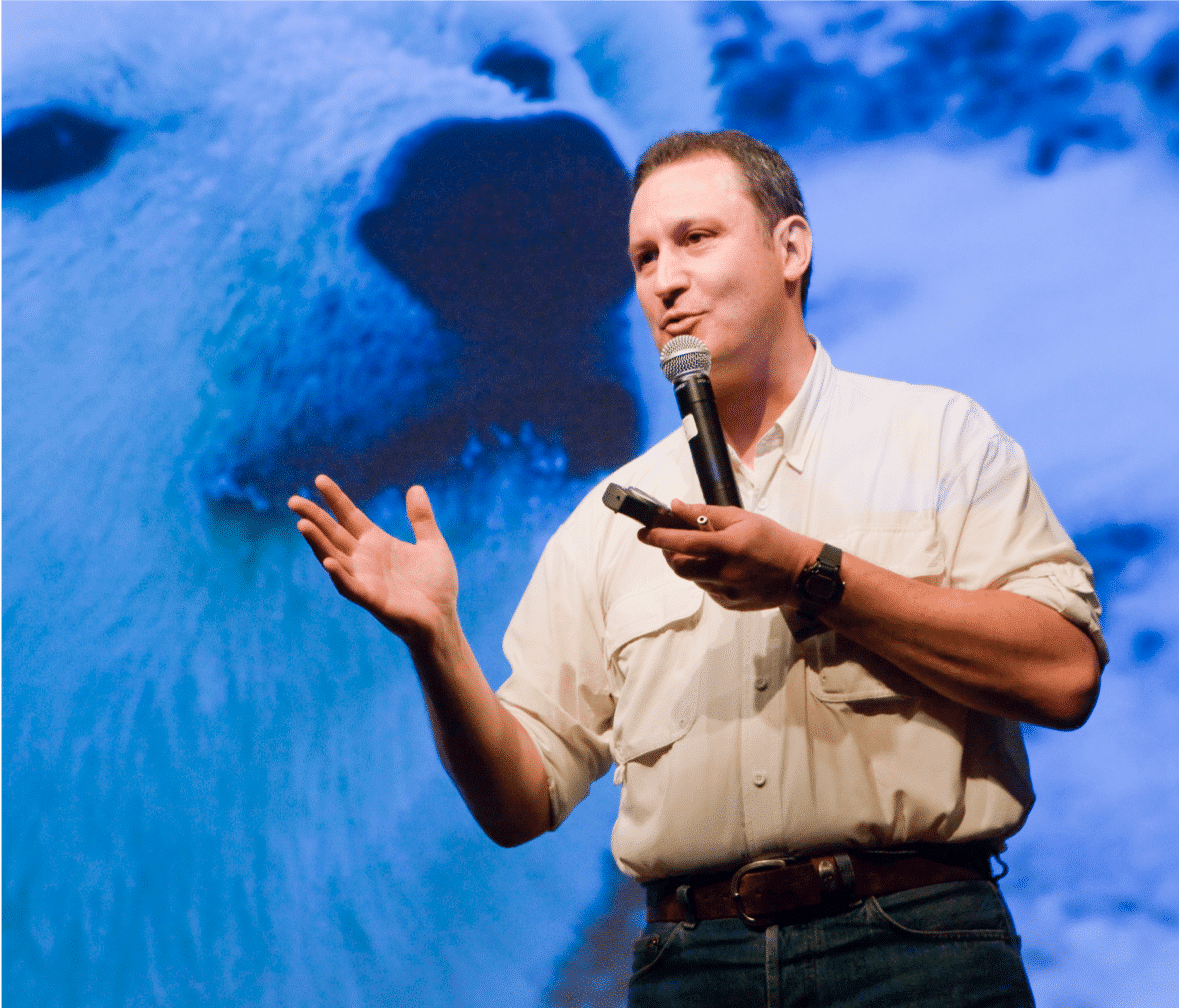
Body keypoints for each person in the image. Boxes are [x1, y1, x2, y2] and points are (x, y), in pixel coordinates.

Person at [288, 130, 1106, 1008]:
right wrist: (436, 641)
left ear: (790, 249)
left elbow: (1061, 676)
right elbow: (518, 802)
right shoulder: (609, 519)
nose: (662, 280)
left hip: (912, 946)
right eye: (642, 257)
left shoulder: (937, 441)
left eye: (695, 239)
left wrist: (806, 573)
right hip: (693, 965)